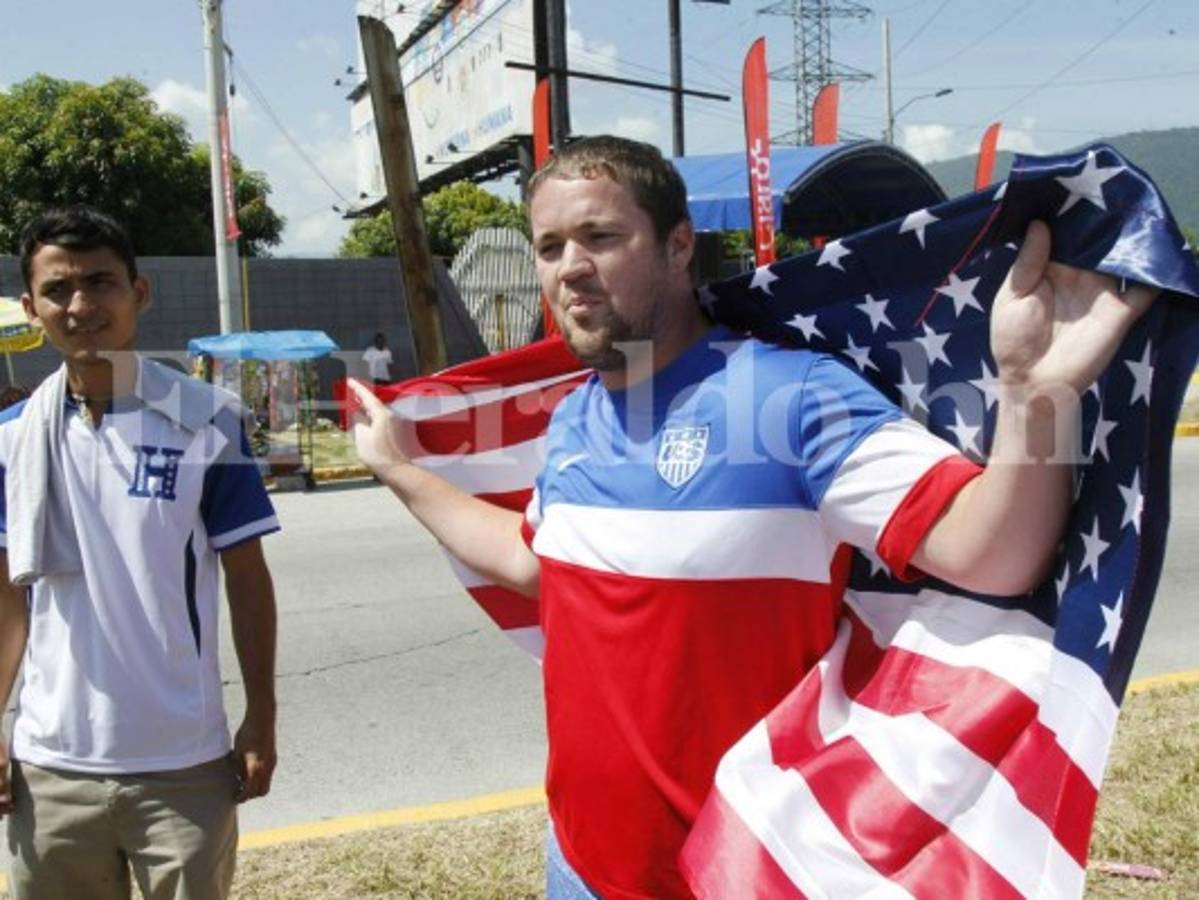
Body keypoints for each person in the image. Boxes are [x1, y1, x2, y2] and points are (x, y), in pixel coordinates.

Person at [347, 136, 1153, 899]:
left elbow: (993, 557)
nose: (571, 269)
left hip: (742, 871)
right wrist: (398, 470)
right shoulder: (573, 419)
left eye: (600, 236)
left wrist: (1032, 394)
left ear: (677, 246)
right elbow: (535, 565)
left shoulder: (789, 397)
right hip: (580, 863)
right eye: (550, 246)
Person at [0, 206, 281, 900]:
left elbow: (247, 579)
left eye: (101, 283)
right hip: (50, 763)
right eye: (59, 289)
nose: (81, 305)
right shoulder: (12, 436)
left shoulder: (207, 418)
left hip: (182, 762)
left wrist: (261, 715)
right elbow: (9, 598)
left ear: (138, 292)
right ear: (32, 306)